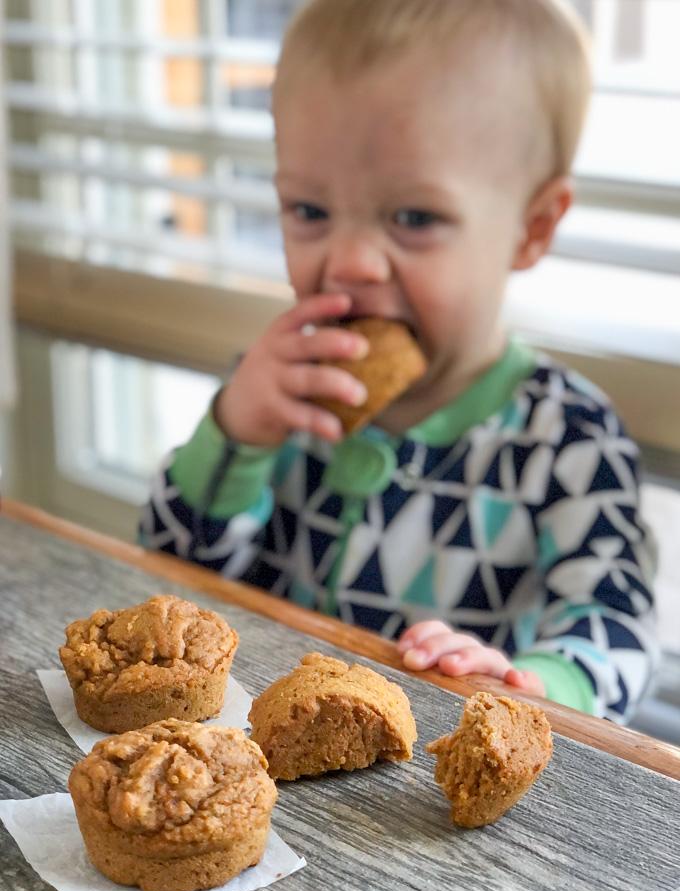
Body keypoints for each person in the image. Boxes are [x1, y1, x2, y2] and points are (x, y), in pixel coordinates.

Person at [141, 0, 658, 723]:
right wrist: (235, 433)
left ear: (530, 228)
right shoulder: (280, 389)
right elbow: (171, 575)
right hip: (257, 755)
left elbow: (621, 629)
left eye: (414, 218)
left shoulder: (566, 436)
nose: (348, 262)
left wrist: (533, 683)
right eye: (310, 211)